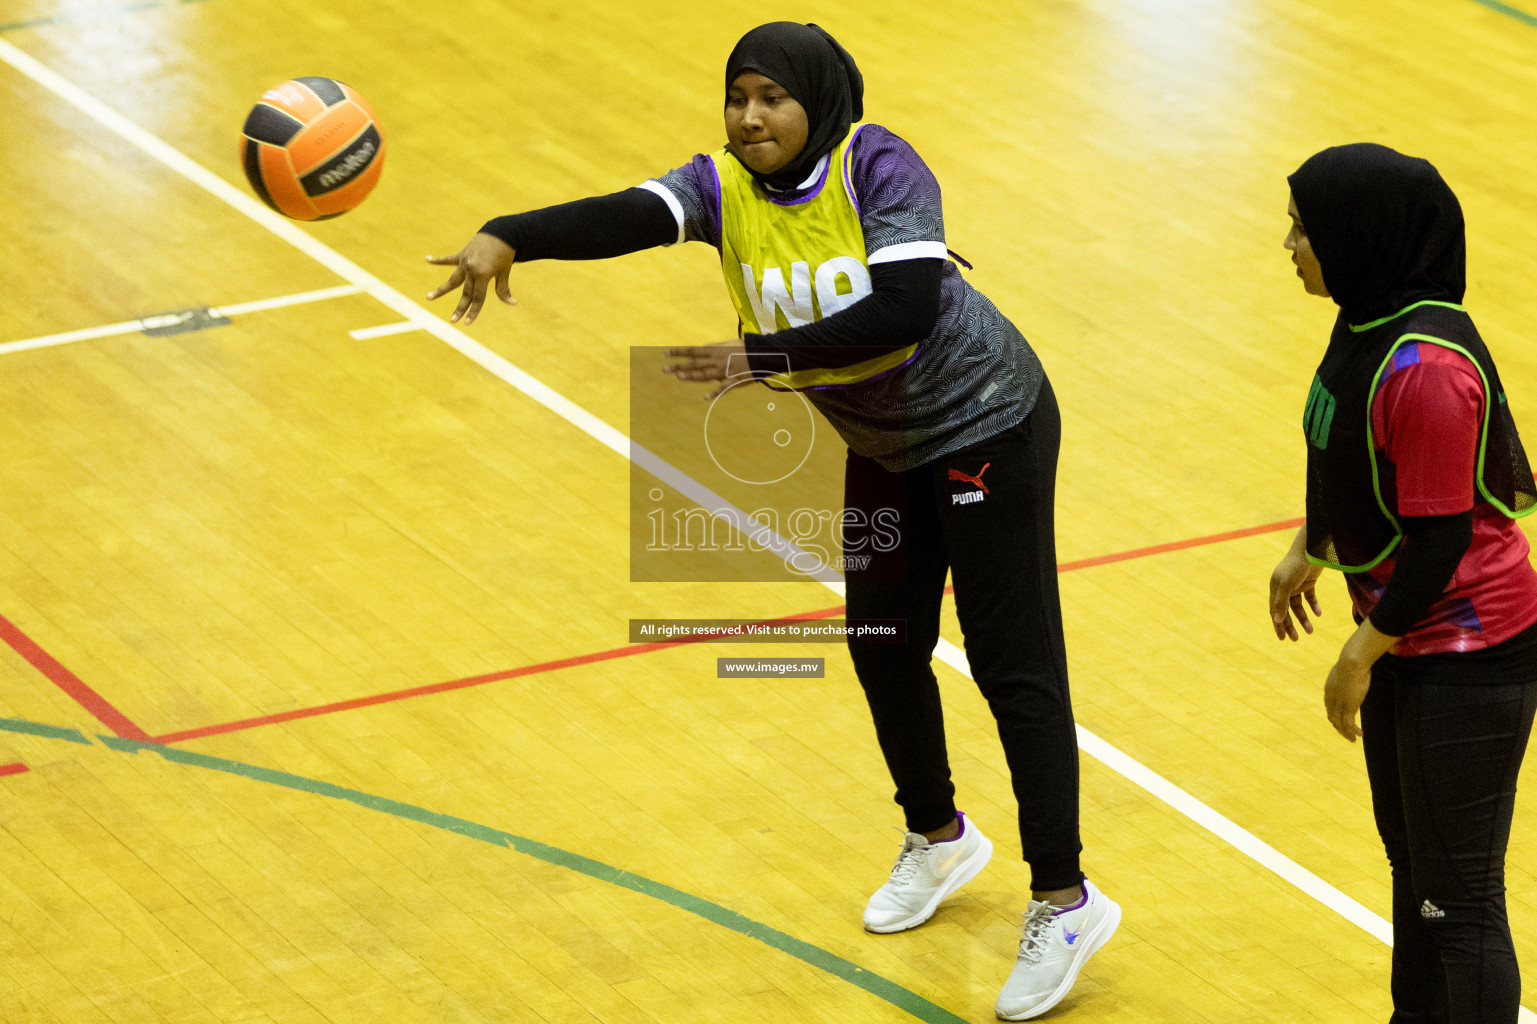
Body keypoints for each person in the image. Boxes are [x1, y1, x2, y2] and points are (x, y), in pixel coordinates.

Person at [424, 22, 1118, 1019]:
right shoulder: (723, 187)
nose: (750, 118)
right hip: (882, 442)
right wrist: (512, 230)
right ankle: (939, 835)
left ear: (817, 102)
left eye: (771, 99)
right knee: (881, 641)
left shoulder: (875, 163)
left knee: (1013, 665)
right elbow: (629, 212)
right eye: (737, 97)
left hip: (985, 421)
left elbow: (910, 306)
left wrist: (765, 358)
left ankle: (1065, 897)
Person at [1269, 143, 1537, 1023]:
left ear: (1359, 236)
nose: (1289, 244)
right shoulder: (1368, 317)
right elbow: (1344, 440)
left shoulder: (1424, 370)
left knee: (1455, 902)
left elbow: (1437, 540)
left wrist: (1358, 653)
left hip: (1465, 656)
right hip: (1412, 642)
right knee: (1416, 878)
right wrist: (1309, 543)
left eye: (1302, 230)